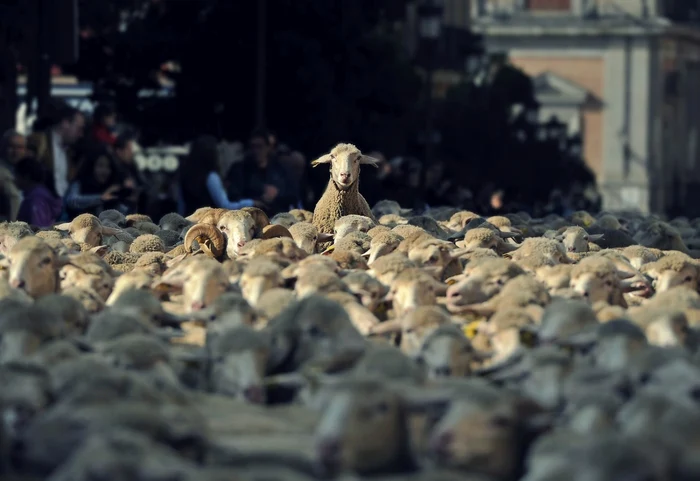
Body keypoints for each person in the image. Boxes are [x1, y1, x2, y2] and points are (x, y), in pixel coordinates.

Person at [177, 135, 258, 215]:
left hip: (189, 224)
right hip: (207, 224)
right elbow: (225, 206)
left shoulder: (184, 176)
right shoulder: (211, 177)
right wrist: (250, 203)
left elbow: (181, 207)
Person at [29, 102, 86, 199]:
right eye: (79, 128)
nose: (81, 134)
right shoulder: (39, 141)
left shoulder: (71, 152)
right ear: (65, 123)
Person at [226, 130, 290, 215]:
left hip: (276, 214)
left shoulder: (279, 169)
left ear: (268, 147)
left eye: (260, 146)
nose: (256, 151)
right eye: (253, 146)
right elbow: (233, 197)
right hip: (249, 215)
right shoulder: (240, 169)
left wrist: (277, 193)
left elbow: (291, 194)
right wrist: (256, 199)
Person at [64, 147, 129, 217]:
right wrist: (101, 198)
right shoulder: (79, 183)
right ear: (91, 167)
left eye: (108, 167)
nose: (105, 171)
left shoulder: (111, 187)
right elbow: (72, 201)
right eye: (100, 166)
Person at [14, 157, 62, 227]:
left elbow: (38, 228)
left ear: (26, 177)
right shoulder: (35, 195)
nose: (14, 178)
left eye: (16, 175)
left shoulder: (37, 198)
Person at [113, 133, 145, 211]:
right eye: (128, 149)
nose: (132, 152)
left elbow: (142, 184)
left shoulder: (131, 166)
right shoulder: (113, 169)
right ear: (119, 151)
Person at [0, 130, 26, 221]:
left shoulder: (25, 170)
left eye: (20, 147)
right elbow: (14, 198)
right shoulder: (2, 171)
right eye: (11, 147)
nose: (16, 151)